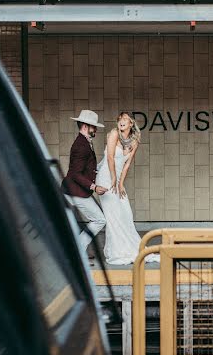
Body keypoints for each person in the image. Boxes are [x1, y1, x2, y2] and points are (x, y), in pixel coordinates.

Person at [95, 112, 157, 265]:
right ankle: (116, 251)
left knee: (125, 213)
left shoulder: (135, 141)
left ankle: (128, 248)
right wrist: (113, 178)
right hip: (106, 177)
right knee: (113, 215)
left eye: (125, 119)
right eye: (120, 119)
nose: (121, 121)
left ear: (131, 124)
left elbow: (127, 164)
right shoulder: (114, 133)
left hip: (117, 179)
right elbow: (110, 157)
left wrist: (121, 182)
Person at [62, 109, 107, 259]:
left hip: (74, 190)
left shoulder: (85, 142)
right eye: (94, 127)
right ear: (85, 126)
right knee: (99, 219)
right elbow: (75, 174)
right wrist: (94, 187)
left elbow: (88, 168)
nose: (96, 130)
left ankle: (76, 249)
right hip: (75, 191)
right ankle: (78, 250)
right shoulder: (81, 145)